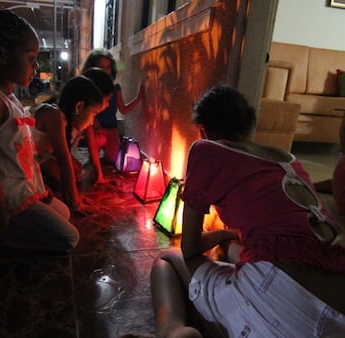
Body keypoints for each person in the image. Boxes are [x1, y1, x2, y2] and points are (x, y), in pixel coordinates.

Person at [150, 85, 345, 337]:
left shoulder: (205, 150)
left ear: (204, 130)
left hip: (284, 299)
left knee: (167, 258)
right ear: (247, 126)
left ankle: (172, 329)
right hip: (338, 305)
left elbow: (189, 248)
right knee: (233, 250)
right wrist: (229, 236)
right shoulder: (288, 159)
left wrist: (221, 234)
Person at [0, 7, 79, 253]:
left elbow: (22, 154)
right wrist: (1, 215)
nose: (35, 66)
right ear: (1, 55)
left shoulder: (11, 98)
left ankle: (17, 225)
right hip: (5, 197)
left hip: (23, 190)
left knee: (65, 213)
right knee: (69, 239)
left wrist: (41, 190)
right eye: (30, 58)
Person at [30, 75, 108, 212]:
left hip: (33, 160)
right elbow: (64, 163)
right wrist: (76, 202)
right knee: (64, 175)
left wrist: (76, 195)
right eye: (94, 114)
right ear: (79, 106)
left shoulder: (62, 119)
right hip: (17, 166)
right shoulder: (53, 115)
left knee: (74, 171)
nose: (92, 122)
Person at [81, 48, 145, 163]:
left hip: (111, 128)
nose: (104, 71)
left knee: (113, 159)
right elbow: (85, 109)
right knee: (94, 159)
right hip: (94, 129)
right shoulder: (89, 88)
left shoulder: (115, 89)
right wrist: (95, 122)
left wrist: (138, 98)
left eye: (107, 67)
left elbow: (123, 110)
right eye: (100, 67)